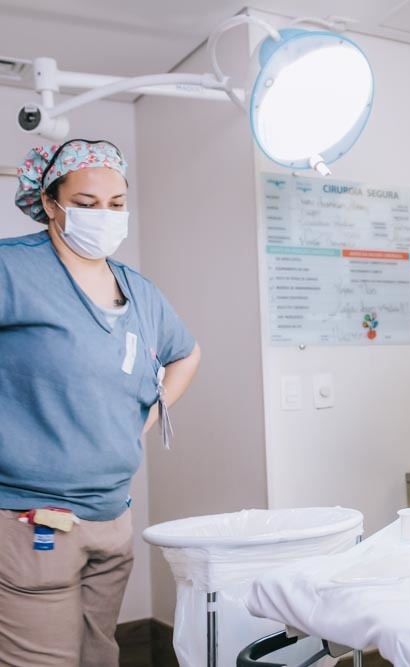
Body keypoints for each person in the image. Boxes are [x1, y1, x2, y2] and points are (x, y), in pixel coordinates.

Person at [0, 139, 201, 666]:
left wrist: (140, 421)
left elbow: (186, 353)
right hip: (31, 519)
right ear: (51, 204)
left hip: (111, 515)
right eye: (86, 204)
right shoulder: (12, 269)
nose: (104, 216)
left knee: (99, 655)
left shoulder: (139, 291)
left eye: (116, 204)